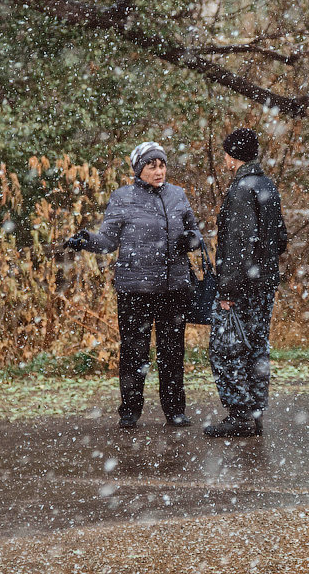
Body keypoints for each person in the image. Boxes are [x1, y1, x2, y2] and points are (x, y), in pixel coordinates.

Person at [64, 141, 202, 429]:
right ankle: (129, 412)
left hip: (173, 288)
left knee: (172, 352)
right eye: (151, 165)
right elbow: (108, 241)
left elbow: (195, 234)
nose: (158, 170)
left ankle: (175, 411)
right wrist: (86, 240)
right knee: (133, 353)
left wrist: (189, 240)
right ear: (139, 169)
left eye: (161, 164)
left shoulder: (178, 195)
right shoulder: (123, 197)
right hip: (135, 289)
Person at [204, 128, 287, 438]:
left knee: (225, 348)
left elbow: (239, 244)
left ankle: (240, 414)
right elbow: (280, 239)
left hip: (242, 286)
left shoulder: (240, 190)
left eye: (226, 154)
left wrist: (227, 290)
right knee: (256, 347)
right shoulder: (268, 186)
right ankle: (254, 413)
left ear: (231, 157)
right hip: (264, 282)